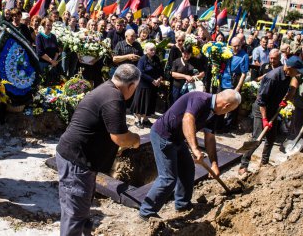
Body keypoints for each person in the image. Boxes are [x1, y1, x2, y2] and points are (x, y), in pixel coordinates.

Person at [56, 64, 141, 236]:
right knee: (75, 213)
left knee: (82, 206)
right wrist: (135, 140)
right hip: (77, 160)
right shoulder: (113, 98)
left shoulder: (106, 89)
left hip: (81, 159)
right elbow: (120, 137)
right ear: (131, 86)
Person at [139, 89, 242, 220]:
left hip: (178, 138)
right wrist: (195, 148)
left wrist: (214, 164)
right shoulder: (200, 99)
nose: (227, 113)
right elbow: (188, 119)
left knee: (188, 169)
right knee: (168, 178)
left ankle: (182, 204)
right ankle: (146, 212)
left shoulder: (214, 113)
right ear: (226, 106)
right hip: (163, 136)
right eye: (229, 111)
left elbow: (209, 137)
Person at [239, 56, 303, 175]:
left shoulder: (288, 75)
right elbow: (261, 101)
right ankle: (243, 165)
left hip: (273, 107)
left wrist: (284, 100)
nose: (297, 74)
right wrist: (265, 119)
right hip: (262, 108)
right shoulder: (273, 77)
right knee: (257, 137)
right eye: (297, 71)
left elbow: (291, 89)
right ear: (290, 68)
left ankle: (264, 162)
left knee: (271, 137)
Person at [130, 42, 163, 129]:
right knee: (141, 103)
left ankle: (145, 119)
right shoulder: (142, 59)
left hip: (153, 85)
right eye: (151, 50)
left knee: (149, 103)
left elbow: (160, 69)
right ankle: (137, 120)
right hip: (143, 84)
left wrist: (159, 79)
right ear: (146, 50)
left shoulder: (156, 58)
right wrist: (152, 80)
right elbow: (140, 72)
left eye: (154, 50)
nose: (153, 51)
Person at [219, 37, 249, 131]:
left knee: (232, 106)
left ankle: (229, 126)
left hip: (234, 81)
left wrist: (237, 88)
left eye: (239, 46)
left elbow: (244, 74)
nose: (237, 48)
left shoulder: (244, 56)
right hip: (224, 80)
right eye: (235, 46)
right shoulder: (227, 52)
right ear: (231, 45)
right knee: (221, 102)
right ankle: (219, 123)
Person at [35, 18, 60, 84]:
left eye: (51, 25)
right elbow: (40, 52)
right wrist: (51, 61)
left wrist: (54, 61)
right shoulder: (39, 36)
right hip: (43, 64)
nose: (49, 27)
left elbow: (57, 50)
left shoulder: (53, 36)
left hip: (53, 65)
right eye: (48, 25)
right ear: (43, 25)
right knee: (43, 83)